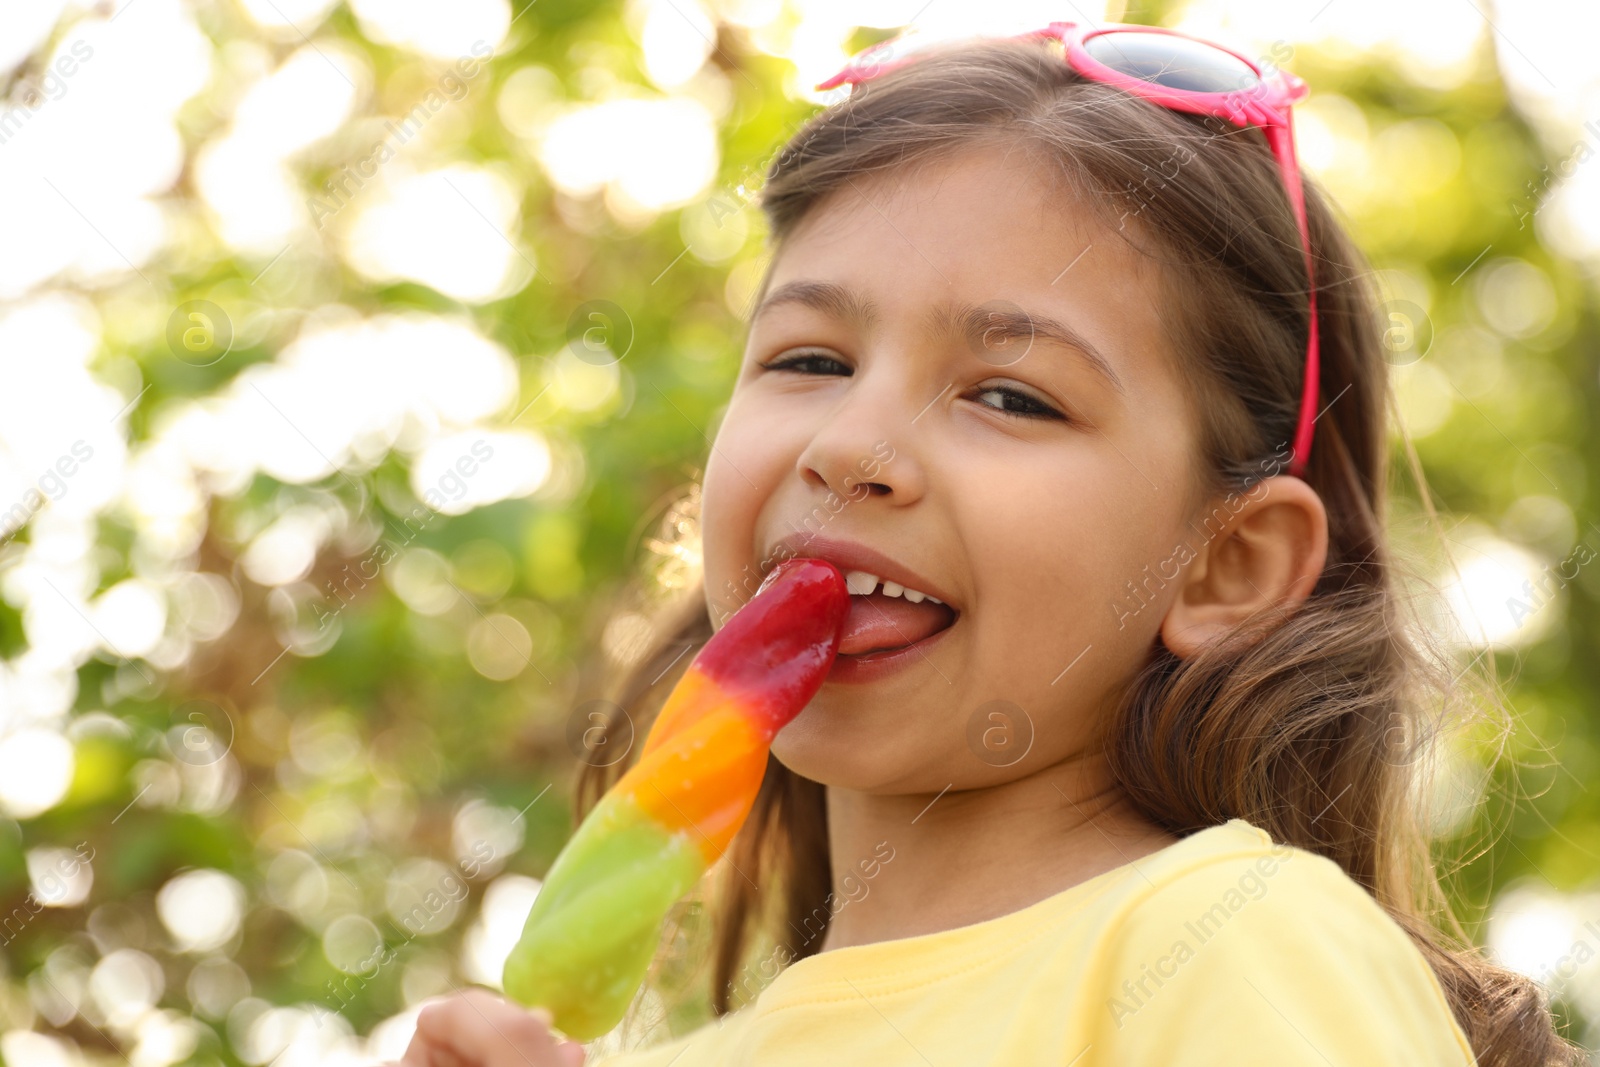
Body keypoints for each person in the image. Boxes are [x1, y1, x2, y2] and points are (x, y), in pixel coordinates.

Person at [390, 22, 1586, 1067]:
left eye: (1009, 395)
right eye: (810, 360)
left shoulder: (1229, 940)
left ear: (1227, 564)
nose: (852, 444)